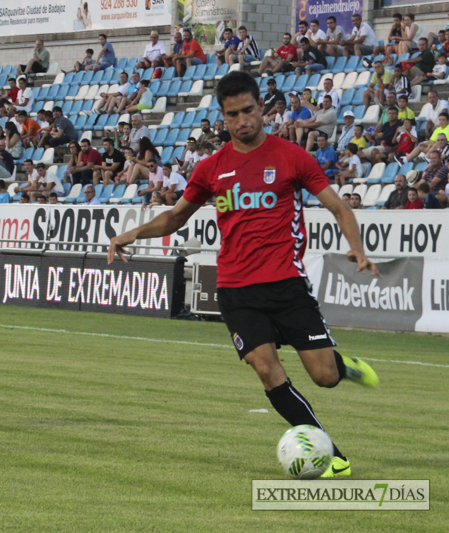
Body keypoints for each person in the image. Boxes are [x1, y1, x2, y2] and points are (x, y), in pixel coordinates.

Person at [108, 71, 379, 479]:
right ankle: (330, 452)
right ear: (223, 116)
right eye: (233, 114)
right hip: (236, 288)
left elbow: (339, 207)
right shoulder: (211, 168)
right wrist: (131, 233)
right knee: (267, 370)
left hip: (287, 283)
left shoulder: (291, 156)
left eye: (249, 110)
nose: (242, 120)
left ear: (262, 109)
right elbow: (175, 217)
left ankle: (344, 367)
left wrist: (356, 247)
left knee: (323, 376)